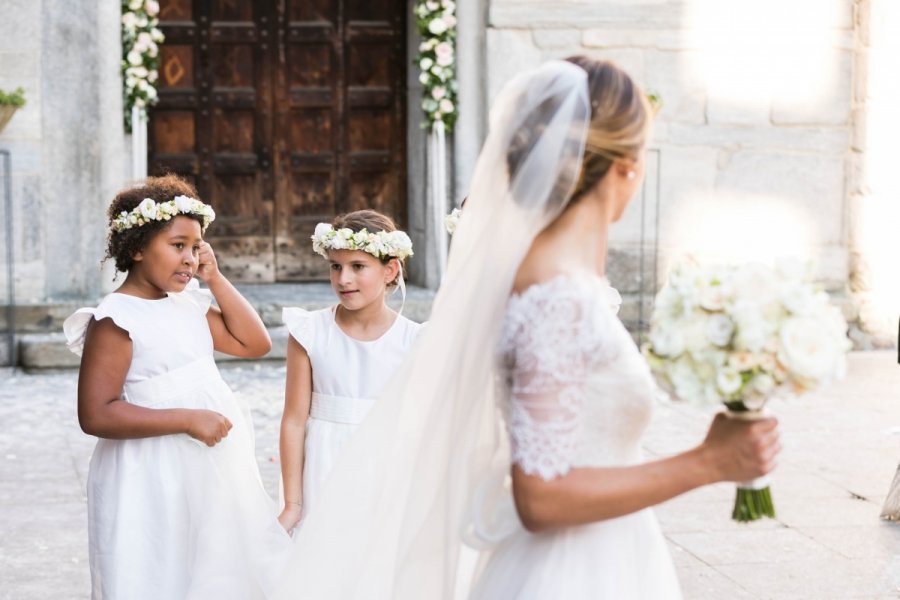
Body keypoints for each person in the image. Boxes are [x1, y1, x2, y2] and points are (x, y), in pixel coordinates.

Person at [273, 57, 780, 599]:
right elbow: (542, 498)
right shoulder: (554, 295)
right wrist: (709, 462)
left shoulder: (554, 278)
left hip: (607, 553)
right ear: (628, 166)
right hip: (568, 570)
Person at [64, 175, 290, 599]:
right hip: (146, 471)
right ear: (136, 248)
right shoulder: (116, 318)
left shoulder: (187, 306)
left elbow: (254, 342)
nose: (190, 258)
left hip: (208, 466)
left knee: (214, 566)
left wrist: (216, 279)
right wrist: (187, 419)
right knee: (155, 567)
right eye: (177, 245)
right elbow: (96, 413)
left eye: (196, 246)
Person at [276, 209, 422, 534]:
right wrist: (293, 503)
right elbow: (294, 420)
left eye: (358, 267)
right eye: (336, 267)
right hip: (324, 467)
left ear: (390, 270)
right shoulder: (309, 332)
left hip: (387, 471)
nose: (343, 279)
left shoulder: (415, 340)